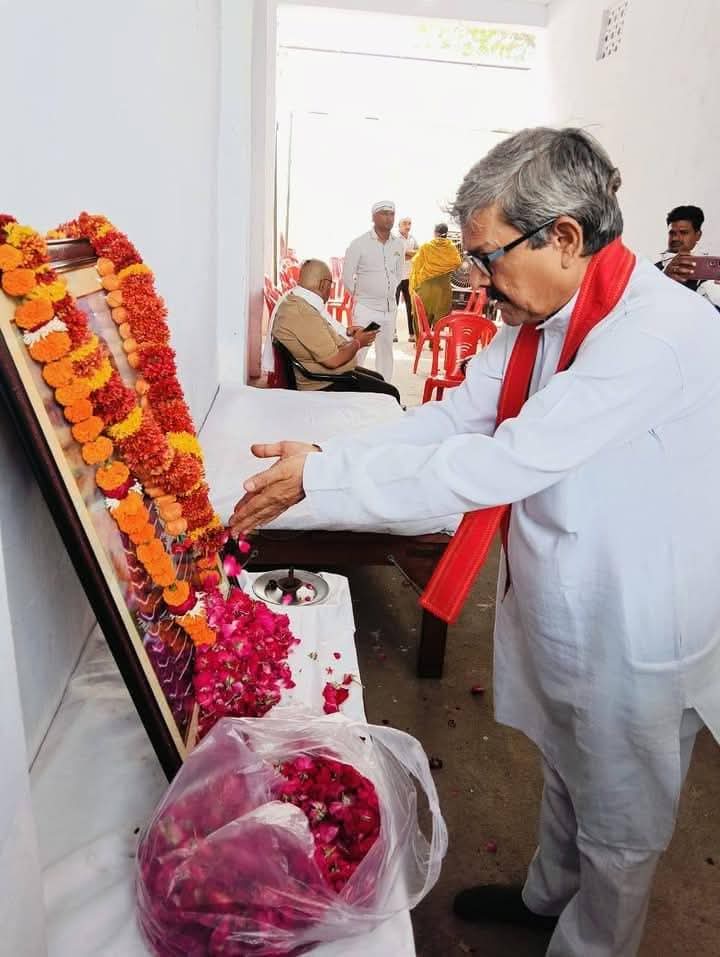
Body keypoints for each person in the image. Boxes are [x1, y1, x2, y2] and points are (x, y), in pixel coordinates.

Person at [230, 127, 720, 957]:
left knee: (620, 820)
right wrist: (327, 458)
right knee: (565, 766)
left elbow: (499, 460)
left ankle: (590, 946)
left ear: (564, 236)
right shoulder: (545, 316)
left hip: (635, 618)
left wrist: (324, 483)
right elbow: (456, 416)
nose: (479, 281)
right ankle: (545, 898)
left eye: (488, 257)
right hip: (563, 590)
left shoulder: (654, 335)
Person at [270, 259, 401, 401]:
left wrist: (348, 333)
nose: (330, 290)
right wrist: (358, 342)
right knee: (391, 393)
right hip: (322, 382)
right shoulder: (303, 313)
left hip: (325, 374)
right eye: (330, 285)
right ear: (323, 284)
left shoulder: (298, 300)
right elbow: (333, 361)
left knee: (378, 378)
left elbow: (321, 330)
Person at [342, 201, 404, 382]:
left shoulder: (398, 244)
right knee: (359, 351)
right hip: (367, 309)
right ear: (373, 217)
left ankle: (384, 388)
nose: (389, 218)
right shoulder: (359, 244)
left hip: (389, 310)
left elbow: (398, 274)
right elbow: (347, 277)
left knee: (386, 353)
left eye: (392, 214)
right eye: (384, 213)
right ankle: (353, 388)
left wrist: (387, 290)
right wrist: (362, 296)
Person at [409, 223, 462, 327]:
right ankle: (435, 337)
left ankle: (420, 337)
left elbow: (416, 264)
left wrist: (414, 285)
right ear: (446, 233)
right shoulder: (451, 248)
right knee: (439, 323)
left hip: (425, 289)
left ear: (435, 233)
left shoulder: (426, 246)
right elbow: (457, 263)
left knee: (421, 321)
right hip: (443, 291)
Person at [655, 204, 705, 288]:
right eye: (672, 233)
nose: (675, 238)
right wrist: (664, 278)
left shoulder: (711, 271)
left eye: (683, 233)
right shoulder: (654, 269)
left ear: (698, 235)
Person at [396, 216, 418, 341]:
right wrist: (408, 254)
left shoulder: (412, 238)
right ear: (399, 226)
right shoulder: (394, 239)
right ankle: (392, 334)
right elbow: (395, 255)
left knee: (411, 307)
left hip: (409, 277)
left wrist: (405, 253)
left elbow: (419, 253)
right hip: (396, 277)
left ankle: (412, 334)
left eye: (409, 223)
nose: (407, 226)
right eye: (405, 223)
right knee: (393, 306)